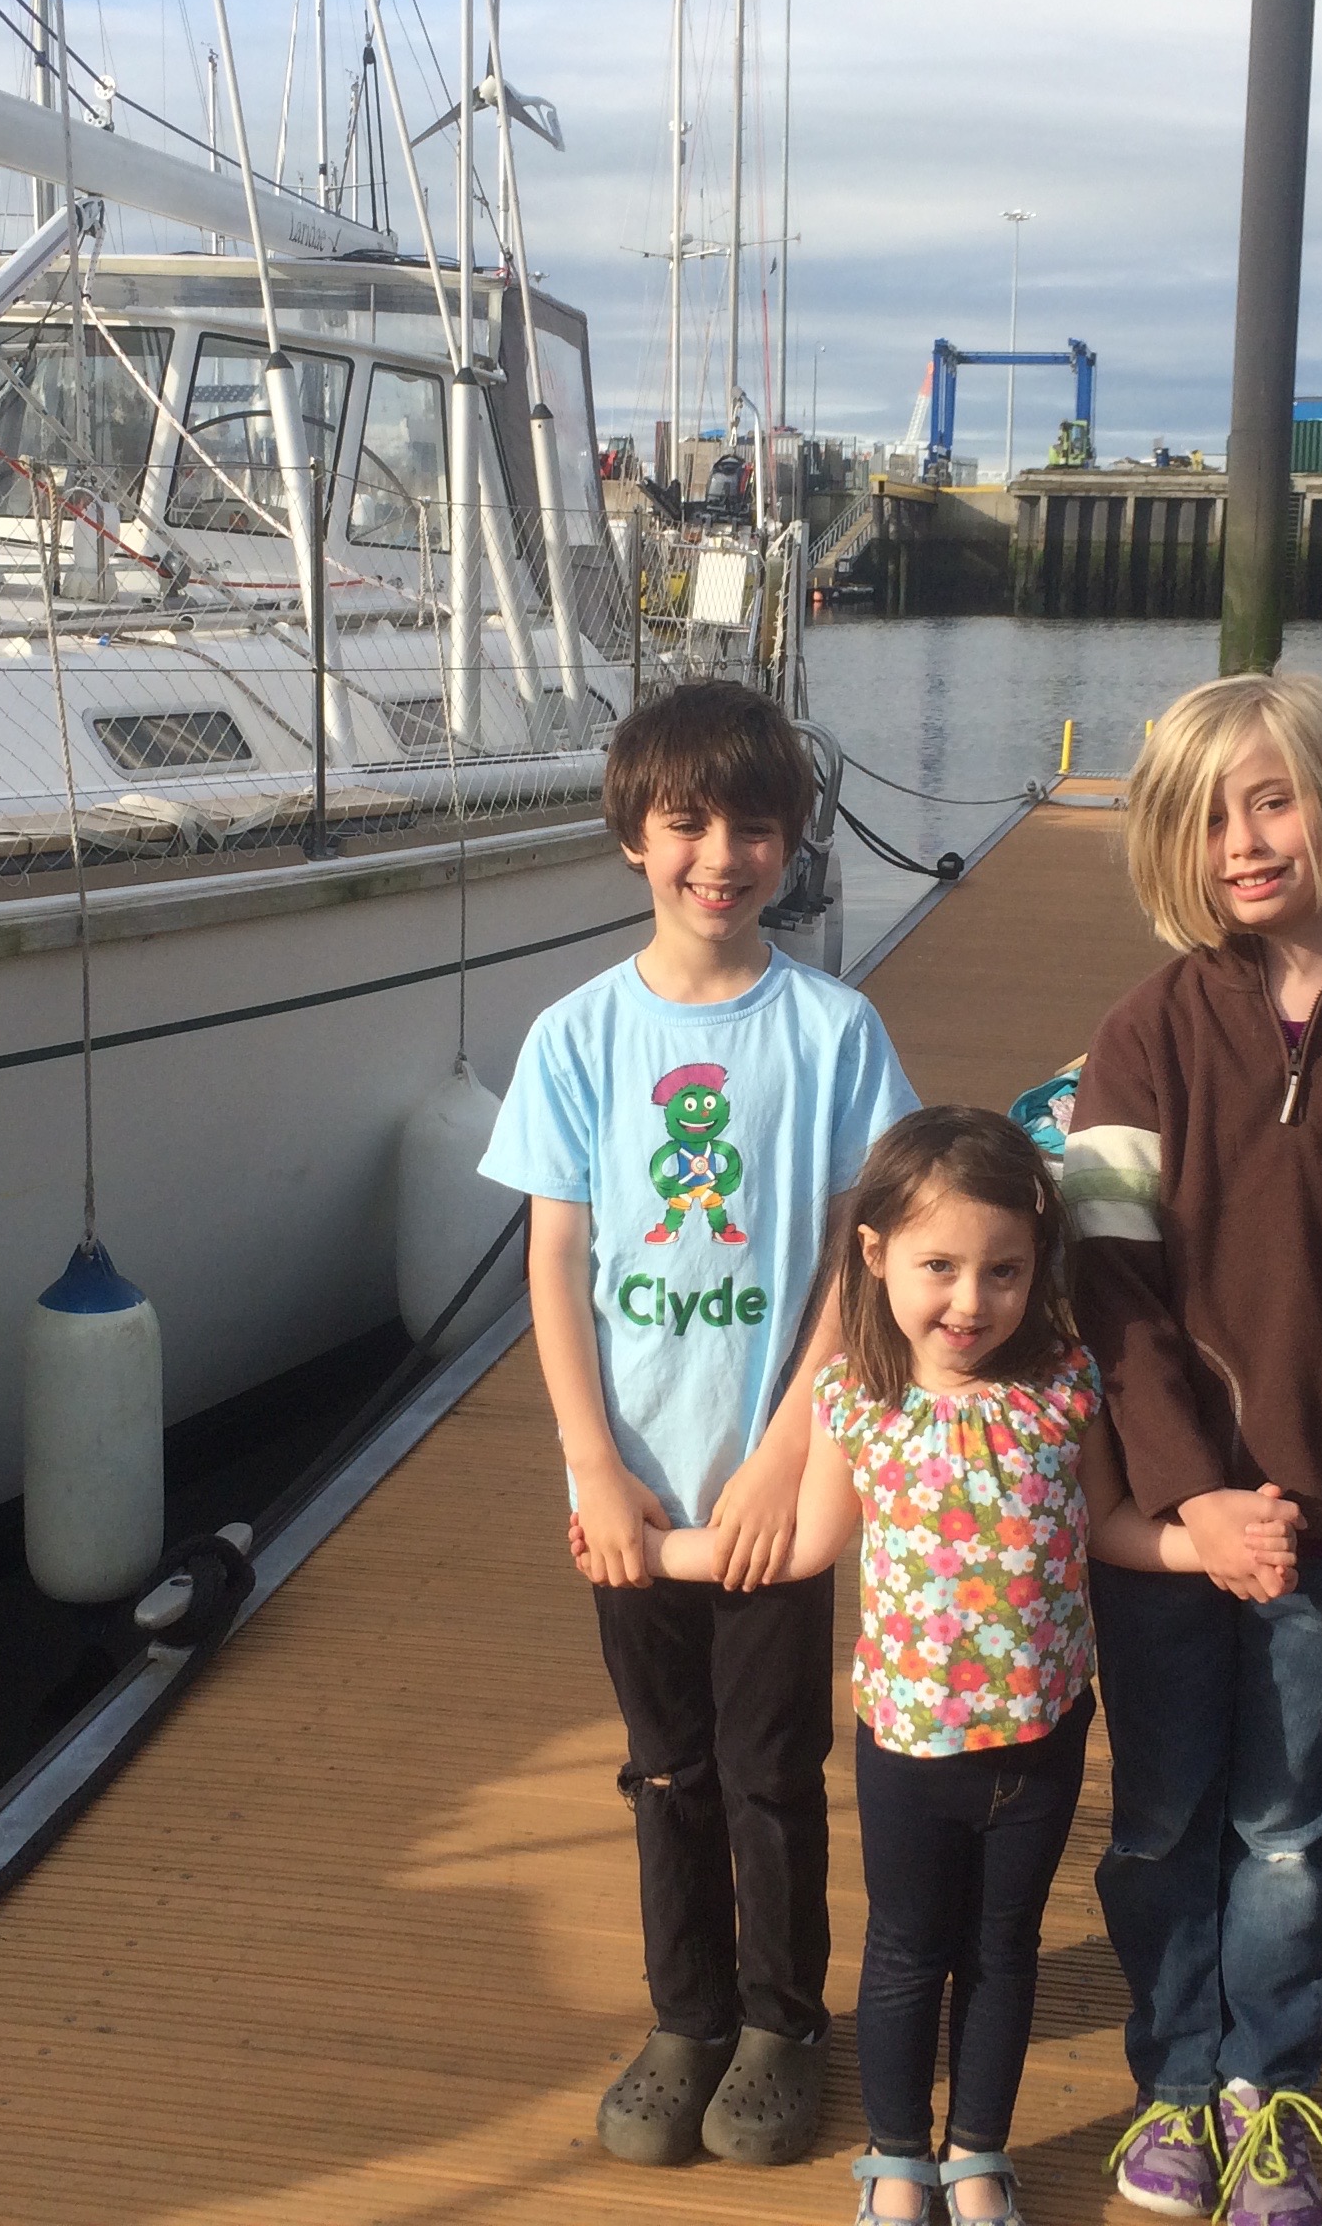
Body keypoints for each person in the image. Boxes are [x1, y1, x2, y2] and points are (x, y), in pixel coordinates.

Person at [581, 1104, 1303, 2225]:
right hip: (909, 1751)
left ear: (1037, 1266)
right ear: (874, 1257)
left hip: (1041, 1740)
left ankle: (976, 2153)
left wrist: (1203, 1547)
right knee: (907, 1955)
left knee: (1003, 1953)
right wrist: (650, 1551)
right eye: (940, 1267)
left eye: (1003, 1270)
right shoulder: (854, 1403)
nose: (971, 1301)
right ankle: (896, 2157)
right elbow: (799, 1547)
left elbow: (1109, 1525)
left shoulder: (1066, 1386)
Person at [1062, 672, 1322, 2226]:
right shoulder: (1145, 1036)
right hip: (1177, 1538)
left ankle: (1269, 2089)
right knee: (1164, 1822)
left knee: (1292, 1832)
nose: (1244, 840)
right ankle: (1176, 2082)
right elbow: (1109, 1290)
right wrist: (1190, 1497)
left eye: (1273, 799)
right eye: (1207, 816)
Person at [481, 677, 920, 2171]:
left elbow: (862, 1262)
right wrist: (592, 1466)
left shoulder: (835, 1031)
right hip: (634, 1491)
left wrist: (791, 1454)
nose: (719, 858)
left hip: (774, 1485)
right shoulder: (578, 1036)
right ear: (635, 836)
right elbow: (555, 1263)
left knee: (771, 1766)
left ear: (791, 842)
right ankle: (689, 2014)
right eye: (686, 825)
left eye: (753, 828)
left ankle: (785, 2023)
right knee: (664, 1760)